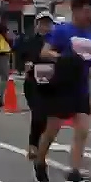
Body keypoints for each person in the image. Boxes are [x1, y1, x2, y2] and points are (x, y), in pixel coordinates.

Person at [35, 0, 91, 182]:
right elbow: (45, 52)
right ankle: (40, 159)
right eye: (87, 11)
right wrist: (62, 58)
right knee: (52, 130)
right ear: (75, 10)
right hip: (62, 85)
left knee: (83, 129)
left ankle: (74, 172)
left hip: (81, 86)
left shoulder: (90, 32)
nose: (90, 16)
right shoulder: (62, 31)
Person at [19, 12, 56, 160]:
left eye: (48, 24)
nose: (45, 27)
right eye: (42, 23)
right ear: (37, 25)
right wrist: (25, 64)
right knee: (38, 113)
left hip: (52, 83)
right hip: (33, 82)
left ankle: (41, 144)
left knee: (48, 118)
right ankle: (33, 145)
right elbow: (20, 56)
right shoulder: (29, 41)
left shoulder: (57, 41)